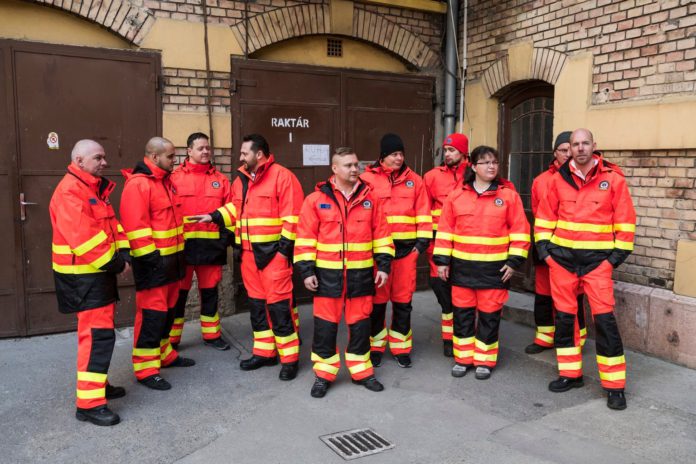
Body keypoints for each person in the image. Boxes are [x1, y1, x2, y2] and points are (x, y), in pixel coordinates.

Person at [535, 128, 635, 410]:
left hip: (597, 264)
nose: (579, 148)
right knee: (565, 321)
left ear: (594, 146)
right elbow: (544, 219)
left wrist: (612, 260)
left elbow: (625, 223)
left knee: (605, 323)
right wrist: (547, 253)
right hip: (562, 262)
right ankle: (570, 374)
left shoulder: (613, 179)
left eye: (584, 143)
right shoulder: (557, 180)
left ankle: (615, 386)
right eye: (574, 144)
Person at [194, 134, 303, 380]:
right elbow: (235, 208)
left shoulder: (283, 177)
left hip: (274, 255)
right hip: (249, 256)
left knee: (279, 309)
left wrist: (283, 252)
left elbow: (293, 218)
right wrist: (213, 216)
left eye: (244, 153)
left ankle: (290, 359)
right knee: (257, 307)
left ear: (259, 154)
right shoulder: (242, 179)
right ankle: (264, 353)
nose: (240, 157)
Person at [295, 147, 395, 398]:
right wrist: (306, 272)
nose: (355, 169)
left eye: (356, 164)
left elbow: (382, 236)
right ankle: (323, 374)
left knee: (361, 326)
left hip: (361, 276)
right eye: (349, 165)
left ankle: (362, 371)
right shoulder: (315, 200)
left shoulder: (371, 200)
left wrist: (383, 266)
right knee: (325, 328)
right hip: (327, 277)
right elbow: (305, 239)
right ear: (335, 169)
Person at [50, 140, 130, 426]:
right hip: (84, 277)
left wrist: (123, 253)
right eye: (98, 157)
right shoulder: (71, 191)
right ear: (79, 161)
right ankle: (89, 403)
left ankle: (97, 385)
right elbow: (86, 239)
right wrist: (117, 263)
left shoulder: (92, 188)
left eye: (104, 157)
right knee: (96, 337)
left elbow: (111, 226)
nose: (104, 162)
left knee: (101, 335)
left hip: (95, 273)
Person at [433, 146, 530, 380]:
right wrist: (442, 262)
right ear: (473, 166)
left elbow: (521, 231)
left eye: (494, 162)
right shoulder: (457, 196)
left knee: (489, 316)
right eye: (485, 162)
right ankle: (463, 358)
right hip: (462, 269)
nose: (491, 166)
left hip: (494, 271)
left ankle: (484, 360)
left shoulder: (508, 196)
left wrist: (514, 262)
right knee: (463, 316)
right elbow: (445, 231)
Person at [120, 137, 194, 391]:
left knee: (168, 313)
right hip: (154, 264)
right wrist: (151, 260)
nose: (175, 161)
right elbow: (135, 227)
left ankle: (165, 355)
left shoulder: (166, 182)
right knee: (152, 316)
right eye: (171, 156)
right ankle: (146, 368)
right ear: (154, 157)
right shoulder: (138, 185)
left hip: (173, 261)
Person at [360, 133, 432, 368]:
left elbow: (423, 214)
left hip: (406, 253)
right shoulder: (366, 179)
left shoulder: (416, 181)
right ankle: (376, 347)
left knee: (403, 303)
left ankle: (401, 348)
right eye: (394, 154)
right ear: (383, 156)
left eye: (401, 154)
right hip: (378, 253)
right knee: (377, 303)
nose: (399, 158)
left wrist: (419, 247)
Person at [168, 133, 233, 351]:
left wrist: (224, 241)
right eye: (200, 148)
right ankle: (172, 340)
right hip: (181, 249)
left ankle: (212, 336)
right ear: (188, 151)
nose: (205, 151)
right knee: (178, 295)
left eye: (208, 148)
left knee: (210, 293)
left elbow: (231, 213)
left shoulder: (222, 181)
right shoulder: (174, 178)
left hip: (211, 248)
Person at [526, 131, 587, 355]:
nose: (568, 154)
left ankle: (576, 339)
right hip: (546, 245)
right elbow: (537, 211)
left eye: (570, 149)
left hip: (572, 248)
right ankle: (544, 338)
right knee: (543, 293)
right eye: (563, 150)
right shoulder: (541, 181)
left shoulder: (585, 178)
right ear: (555, 153)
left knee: (574, 295)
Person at [424, 133, 470, 358]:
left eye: (452, 150)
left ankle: (463, 337)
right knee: (443, 291)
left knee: (465, 292)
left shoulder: (473, 173)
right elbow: (424, 210)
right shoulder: (432, 177)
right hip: (438, 243)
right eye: (446, 150)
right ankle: (449, 338)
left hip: (466, 242)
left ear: (463, 152)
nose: (448, 154)